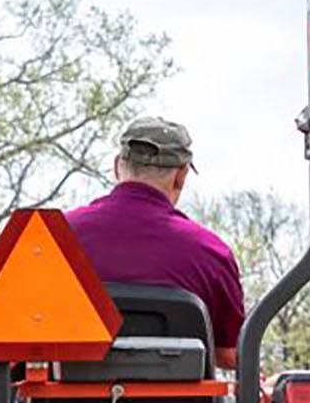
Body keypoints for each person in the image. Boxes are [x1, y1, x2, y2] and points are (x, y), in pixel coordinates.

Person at [65, 117, 246, 369]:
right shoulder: (210, 252)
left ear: (118, 166)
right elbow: (230, 354)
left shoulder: (53, 237)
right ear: (180, 177)